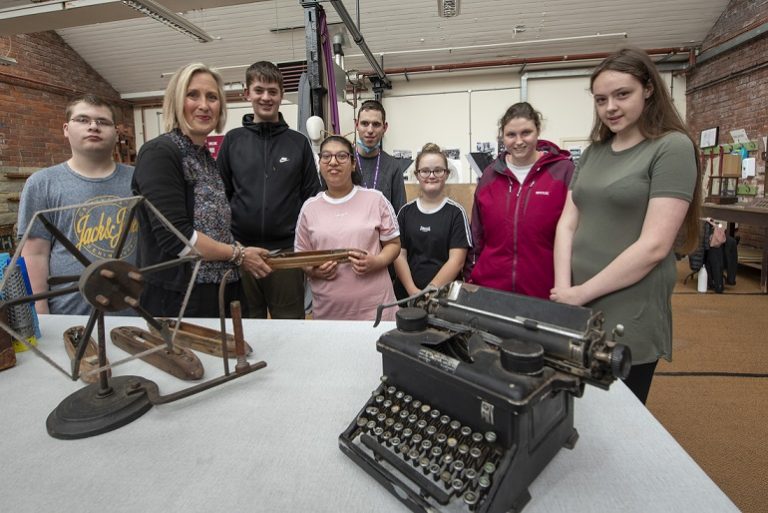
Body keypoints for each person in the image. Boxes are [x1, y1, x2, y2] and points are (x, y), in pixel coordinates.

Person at [550, 47, 701, 404]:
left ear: (649, 89)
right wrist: (563, 290)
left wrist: (580, 294)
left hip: (628, 302)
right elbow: (567, 224)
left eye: (622, 94)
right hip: (575, 297)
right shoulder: (594, 152)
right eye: (601, 99)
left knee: (619, 408)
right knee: (576, 402)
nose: (610, 107)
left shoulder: (671, 147)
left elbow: (654, 246)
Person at [132, 62, 271, 317]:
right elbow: (177, 237)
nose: (204, 105)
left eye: (212, 97)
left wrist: (239, 250)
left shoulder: (204, 157)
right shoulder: (160, 153)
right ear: (176, 100)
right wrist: (239, 255)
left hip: (223, 287)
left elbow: (213, 227)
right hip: (183, 297)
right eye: (192, 95)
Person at [17, 94, 138, 315]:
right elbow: (34, 254)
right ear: (66, 128)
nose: (93, 126)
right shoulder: (42, 183)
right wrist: (40, 310)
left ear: (115, 132)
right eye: (82, 120)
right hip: (68, 314)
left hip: (134, 311)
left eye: (103, 122)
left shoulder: (139, 179)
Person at [218, 61, 320, 319]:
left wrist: (307, 252)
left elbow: (312, 201)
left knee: (290, 328)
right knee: (248, 328)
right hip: (242, 253)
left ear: (281, 95)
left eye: (272, 91)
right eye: (259, 90)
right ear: (247, 93)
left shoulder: (298, 144)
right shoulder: (232, 141)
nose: (266, 97)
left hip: (286, 254)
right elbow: (220, 198)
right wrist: (232, 248)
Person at [464, 102, 575, 299]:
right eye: (511, 135)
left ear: (538, 131)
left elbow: (575, 234)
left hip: (544, 291)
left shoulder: (563, 171)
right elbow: (477, 236)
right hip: (491, 289)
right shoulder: (490, 175)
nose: (519, 141)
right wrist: (471, 279)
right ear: (502, 136)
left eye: (526, 133)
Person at [295, 136, 400, 321]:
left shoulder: (375, 200)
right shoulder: (310, 208)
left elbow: (394, 244)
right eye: (326, 156)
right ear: (320, 164)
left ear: (352, 164)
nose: (333, 162)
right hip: (329, 310)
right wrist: (313, 270)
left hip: (375, 310)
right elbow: (302, 255)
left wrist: (376, 262)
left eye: (341, 156)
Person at [393, 143, 471, 299]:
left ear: (447, 174)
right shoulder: (405, 212)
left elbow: (457, 261)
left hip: (443, 298)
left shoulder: (456, 213)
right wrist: (413, 291)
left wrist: (431, 290)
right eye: (425, 171)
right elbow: (399, 255)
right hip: (407, 297)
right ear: (417, 174)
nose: (431, 176)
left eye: (438, 170)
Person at [354, 100, 408, 213]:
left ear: (385, 127)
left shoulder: (393, 166)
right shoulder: (344, 161)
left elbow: (400, 212)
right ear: (356, 125)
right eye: (364, 123)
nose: (370, 130)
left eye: (376, 124)